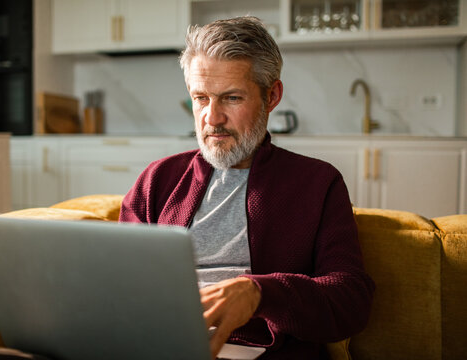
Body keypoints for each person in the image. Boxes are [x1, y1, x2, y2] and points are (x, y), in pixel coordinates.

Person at [119, 16, 375, 360]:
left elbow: (350, 301)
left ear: (272, 96)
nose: (212, 117)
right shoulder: (158, 180)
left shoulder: (317, 184)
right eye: (200, 98)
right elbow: (119, 285)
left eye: (232, 98)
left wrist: (259, 294)